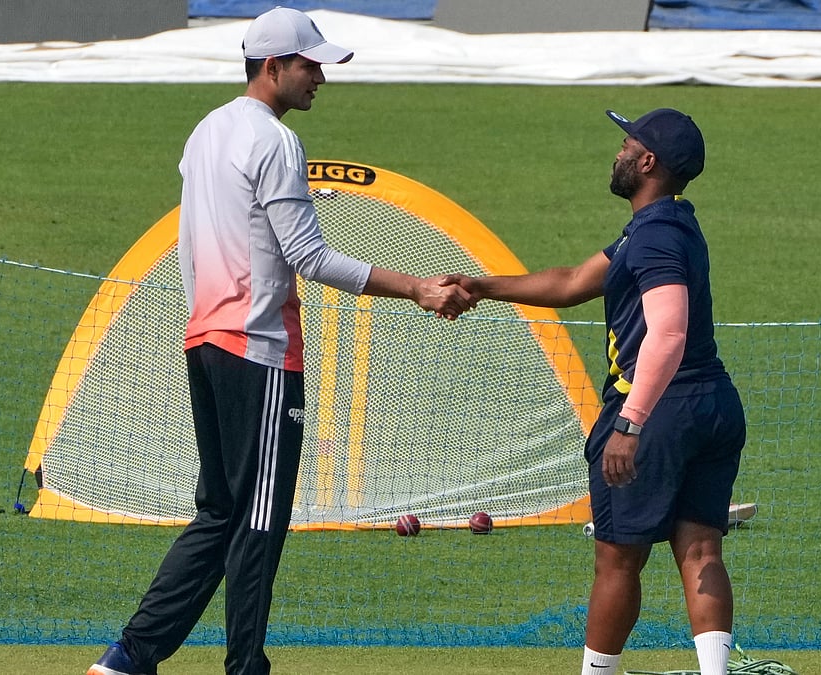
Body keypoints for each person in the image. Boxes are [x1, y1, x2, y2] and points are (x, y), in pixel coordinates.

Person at [86, 8, 474, 675]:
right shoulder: (275, 141)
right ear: (273, 67)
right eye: (309, 64)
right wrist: (415, 286)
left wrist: (203, 316)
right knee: (259, 519)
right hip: (260, 350)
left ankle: (127, 658)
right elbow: (309, 256)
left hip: (205, 340)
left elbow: (189, 243)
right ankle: (244, 667)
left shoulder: (207, 132)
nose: (320, 76)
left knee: (219, 512)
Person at [446, 108, 746, 675]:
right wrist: (480, 285)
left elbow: (670, 330)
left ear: (648, 162)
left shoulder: (655, 236)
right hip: (713, 405)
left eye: (628, 142)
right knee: (701, 551)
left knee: (616, 562)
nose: (619, 151)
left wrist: (630, 423)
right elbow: (571, 283)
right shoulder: (669, 223)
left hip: (657, 411)